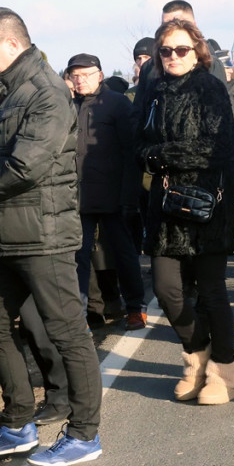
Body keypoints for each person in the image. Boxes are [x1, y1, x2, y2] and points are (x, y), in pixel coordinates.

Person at [0, 7, 103, 466]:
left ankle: (84, 434)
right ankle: (17, 422)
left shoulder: (47, 91)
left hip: (45, 234)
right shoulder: (7, 89)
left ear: (10, 43)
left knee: (67, 333)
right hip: (7, 233)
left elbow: (25, 165)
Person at [137, 18, 234, 404]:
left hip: (206, 203)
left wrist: (163, 155)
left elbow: (219, 147)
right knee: (166, 289)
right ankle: (197, 357)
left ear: (197, 52)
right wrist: (152, 155)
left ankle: (225, 372)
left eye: (181, 49)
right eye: (166, 50)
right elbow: (138, 144)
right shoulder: (153, 91)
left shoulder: (210, 88)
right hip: (165, 206)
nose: (173, 56)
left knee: (212, 291)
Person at [66, 53, 147, 330]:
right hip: (78, 197)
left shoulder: (116, 103)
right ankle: (84, 315)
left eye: (86, 74)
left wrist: (129, 196)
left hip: (114, 195)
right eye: (75, 75)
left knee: (123, 253)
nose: (80, 80)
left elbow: (131, 152)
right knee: (79, 256)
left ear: (99, 76)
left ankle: (135, 307)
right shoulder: (67, 105)